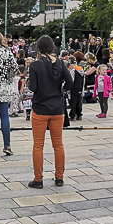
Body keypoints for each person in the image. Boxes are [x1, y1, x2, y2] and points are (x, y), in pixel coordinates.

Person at [28, 35, 73, 189]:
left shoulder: (35, 66)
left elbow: (32, 88)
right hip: (57, 108)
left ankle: (38, 179)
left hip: (40, 108)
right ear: (53, 48)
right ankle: (59, 178)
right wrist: (61, 91)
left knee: (38, 145)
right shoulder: (60, 63)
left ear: (38, 49)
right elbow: (70, 82)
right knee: (58, 145)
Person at [69, 51, 85, 121]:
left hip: (74, 88)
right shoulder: (81, 70)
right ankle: (79, 114)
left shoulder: (73, 71)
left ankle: (73, 115)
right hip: (80, 87)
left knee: (73, 101)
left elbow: (71, 80)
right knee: (79, 101)